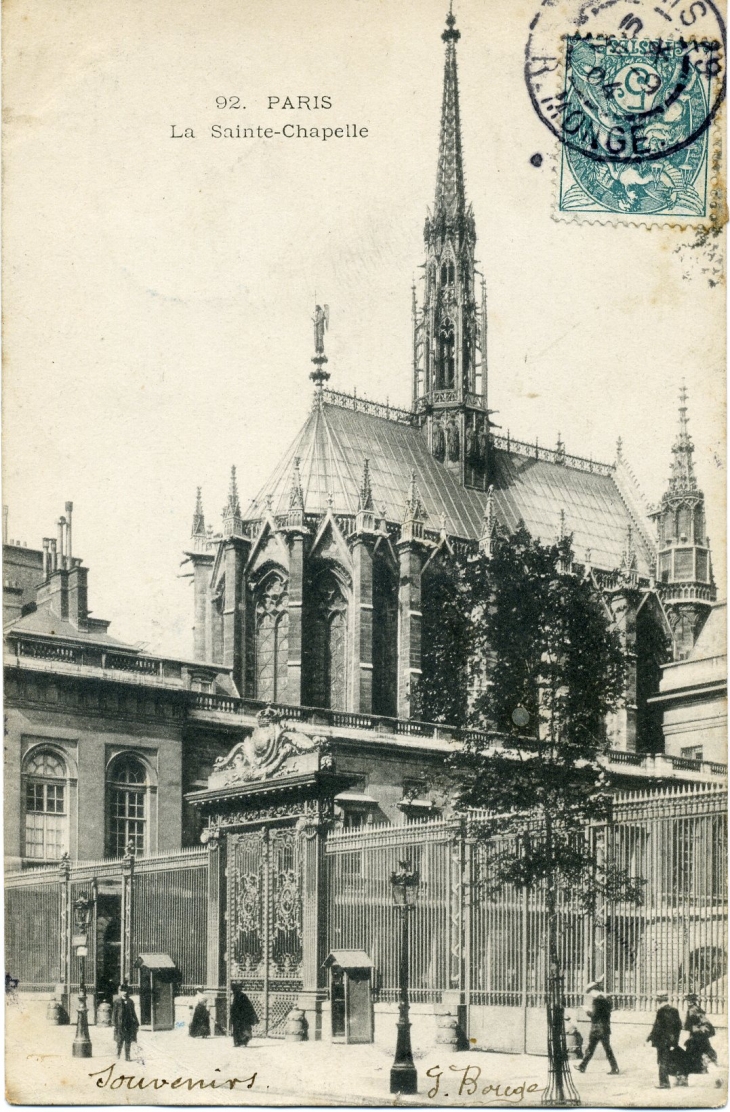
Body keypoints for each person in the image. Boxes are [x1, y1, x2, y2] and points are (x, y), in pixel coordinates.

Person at [576, 980, 619, 1075]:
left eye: (590, 991)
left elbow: (594, 1015)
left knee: (592, 1048)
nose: (590, 994)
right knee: (604, 1049)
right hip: (605, 1028)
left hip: (597, 1029)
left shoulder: (596, 1001)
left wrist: (586, 1010)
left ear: (594, 990)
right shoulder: (606, 1000)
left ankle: (582, 1066)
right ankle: (582, 1066)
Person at [648, 992, 686, 1088]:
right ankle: (679, 1077)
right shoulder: (674, 1010)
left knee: (662, 1061)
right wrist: (675, 1041)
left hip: (661, 1041)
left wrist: (651, 1037)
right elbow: (679, 1026)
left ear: (659, 1001)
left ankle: (664, 1083)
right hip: (670, 1041)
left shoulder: (661, 1011)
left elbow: (657, 1027)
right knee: (667, 1060)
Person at [683, 993, 718, 1074]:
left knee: (694, 1050)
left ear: (691, 1001)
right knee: (703, 1048)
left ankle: (698, 1068)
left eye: (689, 1000)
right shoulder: (697, 1008)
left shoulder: (692, 1009)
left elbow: (689, 1023)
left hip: (696, 1033)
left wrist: (688, 1026)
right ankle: (704, 1067)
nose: (688, 1002)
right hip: (700, 1033)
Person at [112, 984, 139, 1061]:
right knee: (120, 1040)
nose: (125, 992)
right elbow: (114, 1013)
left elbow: (133, 1013)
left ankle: (127, 1056)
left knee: (128, 1040)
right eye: (123, 991)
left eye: (126, 991)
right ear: (120, 992)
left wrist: (136, 1022)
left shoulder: (131, 1001)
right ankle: (118, 1054)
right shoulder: (117, 1002)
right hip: (120, 1024)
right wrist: (114, 1022)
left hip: (129, 1023)